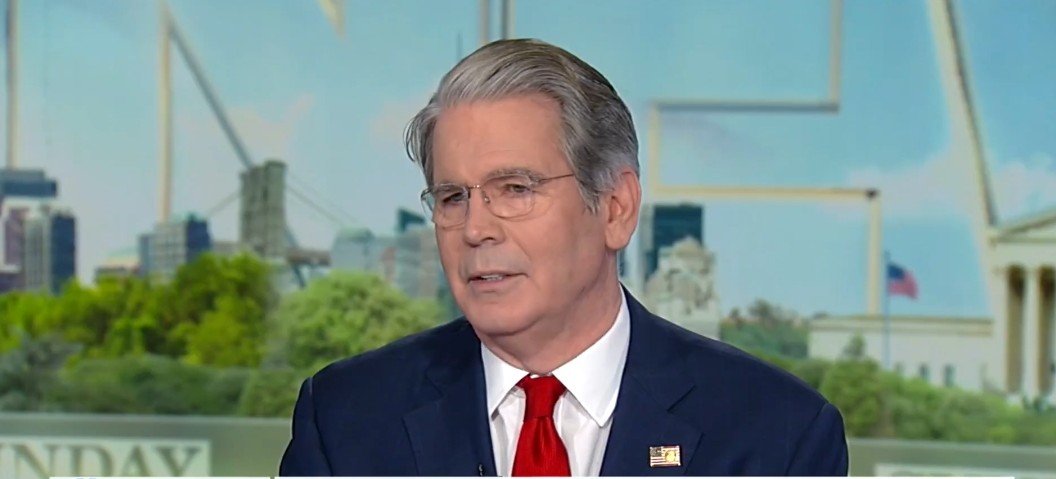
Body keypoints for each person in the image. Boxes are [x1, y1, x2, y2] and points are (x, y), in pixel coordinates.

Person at [280, 38, 848, 477]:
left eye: (516, 189)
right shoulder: (345, 419)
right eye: (453, 197)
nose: (476, 228)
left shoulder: (777, 435)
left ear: (616, 207)